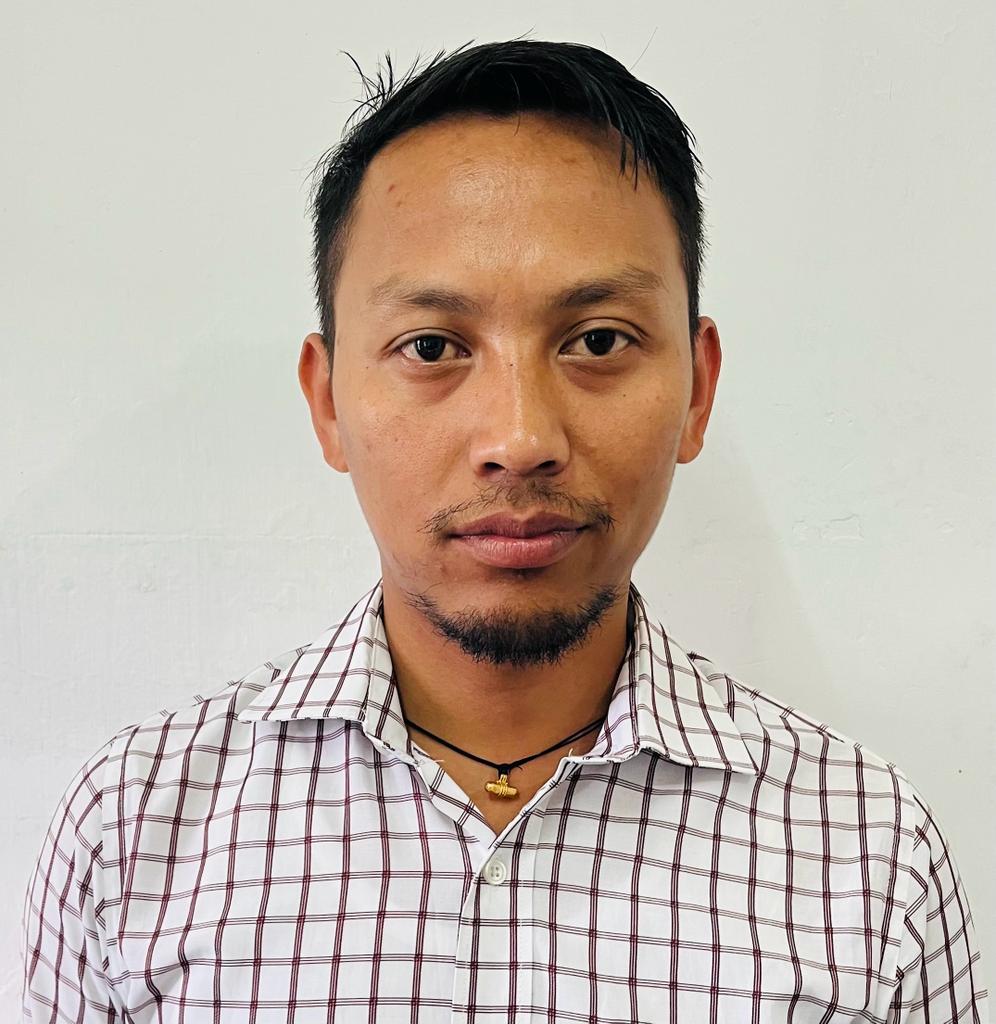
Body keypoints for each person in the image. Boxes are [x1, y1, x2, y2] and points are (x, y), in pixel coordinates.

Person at [22, 38, 988, 1023]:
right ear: (327, 402)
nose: (520, 439)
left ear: (698, 390)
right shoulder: (133, 832)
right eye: (432, 346)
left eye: (598, 340)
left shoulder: (870, 857)